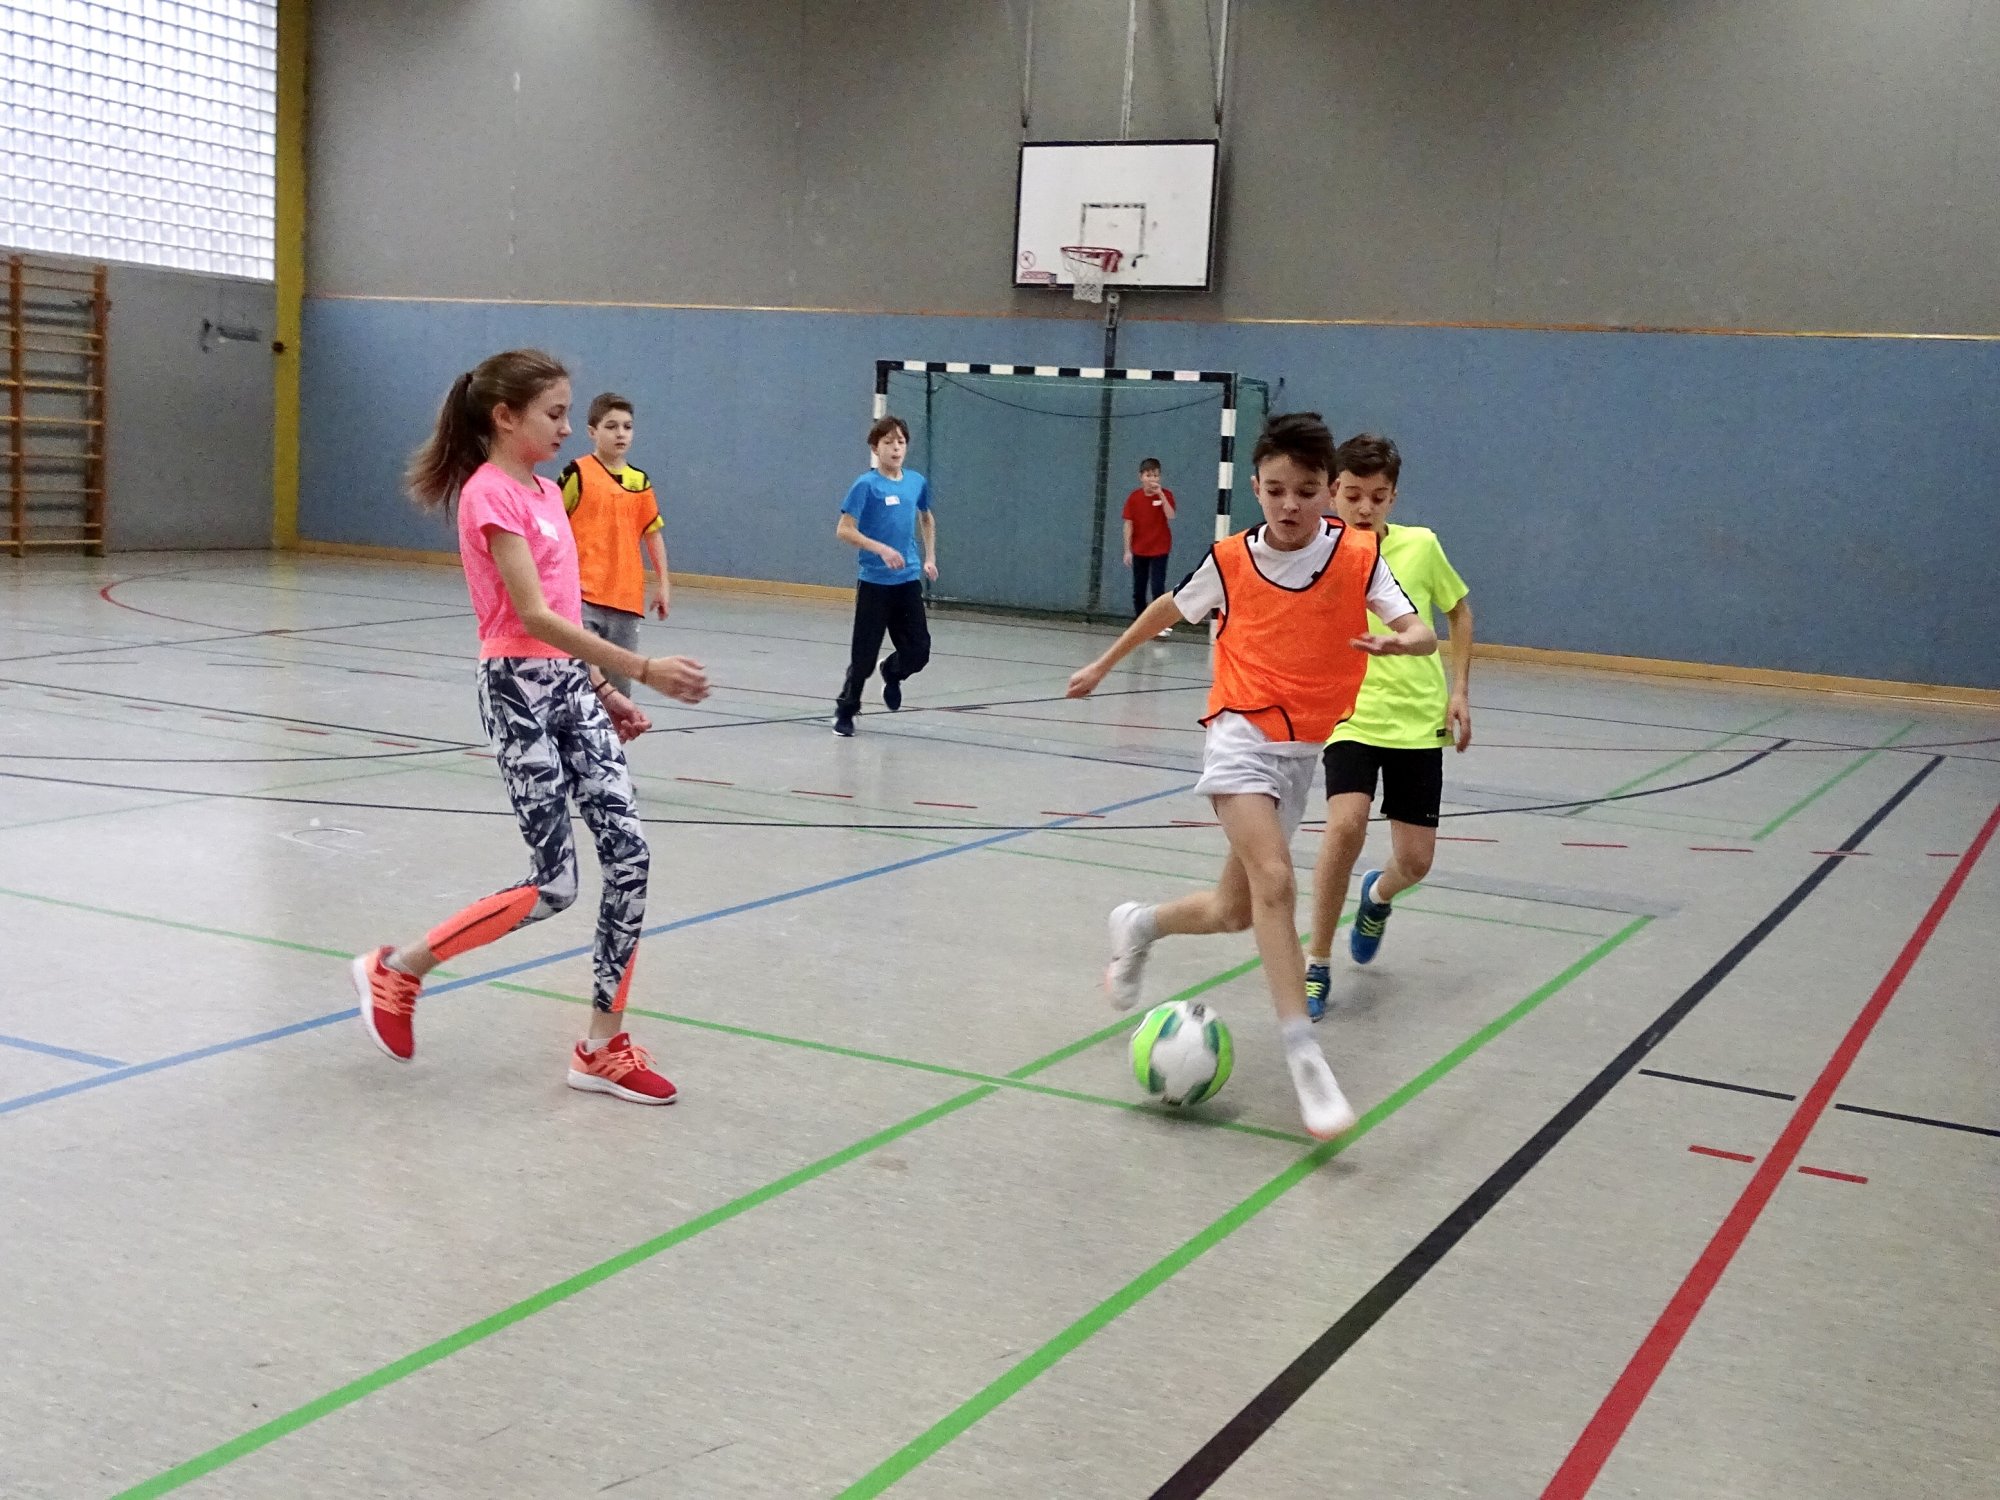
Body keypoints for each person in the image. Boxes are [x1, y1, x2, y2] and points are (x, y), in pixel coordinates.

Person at [350, 349, 709, 1105]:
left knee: (631, 856)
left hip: (571, 688)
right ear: (505, 417)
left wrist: (604, 690)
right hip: (516, 692)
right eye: (554, 413)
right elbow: (533, 617)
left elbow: (565, 615)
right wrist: (643, 669)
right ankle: (398, 970)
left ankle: (602, 1048)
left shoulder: (548, 492)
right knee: (555, 885)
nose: (566, 427)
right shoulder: (489, 496)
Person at [1067, 413, 1436, 1139]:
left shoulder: (1357, 557)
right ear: (1256, 489)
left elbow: (1418, 627)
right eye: (1275, 490)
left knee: (1235, 910)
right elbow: (1167, 609)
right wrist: (1103, 664)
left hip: (1300, 753)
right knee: (1276, 880)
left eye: (1305, 490)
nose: (1289, 504)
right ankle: (1304, 1056)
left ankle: (1139, 924)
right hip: (1238, 732)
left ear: (1327, 490)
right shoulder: (1230, 560)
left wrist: (1404, 643)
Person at [1305, 434, 1472, 1014]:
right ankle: (1317, 961)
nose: (1364, 507)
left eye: (1377, 497)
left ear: (1393, 498)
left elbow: (1458, 611)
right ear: (1333, 492)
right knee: (1345, 826)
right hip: (1351, 715)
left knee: (1417, 862)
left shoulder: (1421, 547)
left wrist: (1459, 692)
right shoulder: (1316, 554)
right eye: (1353, 495)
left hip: (1418, 720)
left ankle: (1376, 895)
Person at [557, 392, 670, 696]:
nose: (620, 433)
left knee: (618, 690)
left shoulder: (640, 482)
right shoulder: (576, 474)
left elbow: (653, 534)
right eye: (611, 426)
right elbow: (552, 527)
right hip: (582, 595)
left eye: (627, 427)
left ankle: (615, 729)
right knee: (581, 681)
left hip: (625, 599)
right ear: (592, 432)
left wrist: (663, 584)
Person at [833, 415, 937, 737]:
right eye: (888, 442)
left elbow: (926, 517)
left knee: (919, 651)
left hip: (907, 581)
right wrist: (880, 549)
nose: (895, 448)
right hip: (875, 583)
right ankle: (846, 709)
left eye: (900, 442)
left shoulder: (916, 482)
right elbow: (844, 530)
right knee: (862, 658)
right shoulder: (866, 485)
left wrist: (930, 557)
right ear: (875, 448)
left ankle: (892, 672)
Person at [1121, 457, 1176, 632]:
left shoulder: (1166, 495)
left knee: (1158, 587)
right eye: (1148, 475)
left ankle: (1160, 624)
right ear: (1141, 477)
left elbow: (1171, 515)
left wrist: (1161, 495)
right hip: (1140, 550)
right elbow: (1128, 525)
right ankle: (1140, 625)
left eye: (1156, 475)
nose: (1152, 479)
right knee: (1139, 590)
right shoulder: (1134, 498)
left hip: (1160, 548)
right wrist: (1127, 550)